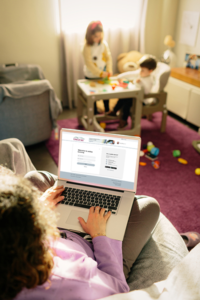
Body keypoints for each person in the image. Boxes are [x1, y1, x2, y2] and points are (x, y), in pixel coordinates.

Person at [0, 138, 160, 300]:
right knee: (149, 206)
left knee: (35, 177)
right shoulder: (77, 277)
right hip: (92, 249)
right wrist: (100, 236)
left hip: (60, 236)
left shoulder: (11, 262)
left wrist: (39, 207)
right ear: (31, 232)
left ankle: (77, 185)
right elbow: (118, 289)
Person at [106, 55, 157, 129]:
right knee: (124, 97)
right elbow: (130, 74)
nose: (140, 71)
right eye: (140, 69)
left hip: (142, 100)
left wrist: (141, 82)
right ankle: (114, 111)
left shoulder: (150, 80)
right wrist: (120, 77)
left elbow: (146, 92)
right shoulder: (140, 72)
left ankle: (124, 121)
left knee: (127, 103)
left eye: (142, 70)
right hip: (134, 96)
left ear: (150, 71)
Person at [82, 20, 113, 114]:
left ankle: (107, 110)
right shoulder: (86, 47)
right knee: (93, 96)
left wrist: (109, 69)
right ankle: (94, 113)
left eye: (100, 35)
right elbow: (89, 63)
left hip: (103, 74)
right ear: (90, 36)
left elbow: (108, 58)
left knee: (105, 94)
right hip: (91, 75)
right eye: (96, 36)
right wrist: (99, 73)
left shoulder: (104, 44)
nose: (98, 38)